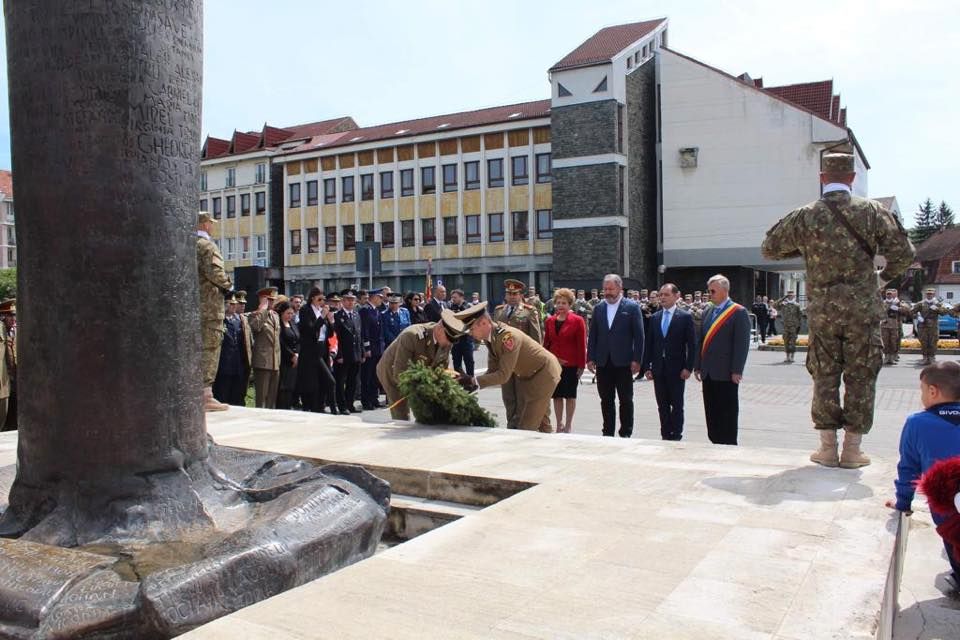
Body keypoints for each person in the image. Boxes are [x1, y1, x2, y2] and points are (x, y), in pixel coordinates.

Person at [762, 152, 915, 467]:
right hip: (862, 311)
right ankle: (853, 450)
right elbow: (904, 253)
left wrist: (805, 247)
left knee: (825, 375)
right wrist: (880, 278)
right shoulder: (873, 212)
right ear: (852, 178)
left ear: (822, 177)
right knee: (861, 375)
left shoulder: (805, 216)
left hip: (823, 312)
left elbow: (770, 248)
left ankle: (827, 448)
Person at [886, 361, 960, 587]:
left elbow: (908, 469)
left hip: (951, 515)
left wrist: (903, 504)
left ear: (932, 391)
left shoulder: (917, 423)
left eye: (921, 391)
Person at [457, 304, 561, 432]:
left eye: (472, 329)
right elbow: (493, 371)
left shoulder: (507, 337)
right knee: (542, 422)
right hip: (529, 375)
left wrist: (473, 381)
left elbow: (503, 375)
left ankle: (525, 451)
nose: (471, 334)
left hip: (543, 373)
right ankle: (549, 448)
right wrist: (472, 384)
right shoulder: (492, 338)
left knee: (527, 426)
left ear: (484, 323)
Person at [693, 274, 751, 445]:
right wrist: (698, 365)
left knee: (727, 411)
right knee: (711, 410)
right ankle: (715, 441)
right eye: (709, 290)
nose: (710, 294)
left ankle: (729, 443)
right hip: (708, 371)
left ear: (725, 291)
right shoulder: (708, 311)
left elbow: (741, 344)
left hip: (726, 372)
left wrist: (737, 370)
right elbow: (701, 340)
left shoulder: (738, 312)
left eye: (713, 291)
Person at [376, 309, 465, 421]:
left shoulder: (446, 341)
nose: (450, 343)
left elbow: (442, 368)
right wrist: (424, 390)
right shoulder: (412, 335)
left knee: (428, 409)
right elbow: (400, 374)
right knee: (402, 413)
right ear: (440, 328)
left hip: (420, 372)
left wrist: (452, 381)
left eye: (453, 340)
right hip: (391, 371)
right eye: (449, 338)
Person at [587, 274, 645, 438]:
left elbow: (639, 336)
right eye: (605, 289)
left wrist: (637, 359)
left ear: (620, 288)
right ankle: (608, 431)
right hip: (603, 361)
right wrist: (590, 358)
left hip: (624, 361)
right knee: (606, 399)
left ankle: (625, 432)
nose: (607, 292)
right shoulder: (599, 308)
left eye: (611, 289)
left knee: (625, 399)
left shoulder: (632, 307)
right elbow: (593, 335)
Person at [644, 284, 697, 441]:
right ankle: (665, 434)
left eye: (666, 295)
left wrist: (689, 367)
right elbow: (650, 344)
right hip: (659, 369)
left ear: (676, 296)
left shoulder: (685, 317)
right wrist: (647, 366)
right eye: (660, 295)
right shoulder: (655, 318)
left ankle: (677, 434)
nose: (662, 298)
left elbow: (692, 345)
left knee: (677, 404)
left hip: (677, 369)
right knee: (662, 405)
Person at [494, 279, 543, 428]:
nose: (512, 297)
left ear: (521, 295)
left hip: (522, 360)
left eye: (515, 294)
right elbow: (494, 336)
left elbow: (536, 338)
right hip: (504, 361)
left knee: (522, 395)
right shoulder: (499, 311)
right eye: (509, 294)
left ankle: (521, 425)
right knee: (508, 395)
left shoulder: (529, 311)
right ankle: (511, 423)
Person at [196, 211, 232, 412]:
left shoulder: (186, 245)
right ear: (205, 224)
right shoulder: (206, 246)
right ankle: (205, 395)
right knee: (210, 347)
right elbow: (216, 273)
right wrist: (229, 286)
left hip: (195, 307)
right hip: (210, 307)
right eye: (210, 223)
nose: (212, 226)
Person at [543, 288, 587, 433]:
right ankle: (559, 424)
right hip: (555, 365)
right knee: (557, 396)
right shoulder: (549, 321)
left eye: (564, 303)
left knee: (569, 396)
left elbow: (582, 345)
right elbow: (546, 344)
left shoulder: (578, 321)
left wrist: (581, 366)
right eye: (558, 303)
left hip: (571, 365)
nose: (561, 306)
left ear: (570, 305)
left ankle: (568, 425)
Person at [297, 287, 337, 413]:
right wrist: (322, 317)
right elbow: (310, 330)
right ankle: (317, 407)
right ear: (312, 298)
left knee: (324, 381)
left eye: (323, 299)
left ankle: (321, 406)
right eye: (319, 299)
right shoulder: (305, 310)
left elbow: (329, 334)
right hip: (311, 351)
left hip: (323, 348)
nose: (321, 302)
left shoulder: (321, 311)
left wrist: (330, 321)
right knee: (318, 382)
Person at [333, 289, 365, 414]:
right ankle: (342, 406)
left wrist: (362, 352)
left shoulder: (356, 315)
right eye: (348, 300)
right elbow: (336, 337)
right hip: (343, 354)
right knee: (341, 382)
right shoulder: (338, 316)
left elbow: (359, 335)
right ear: (343, 301)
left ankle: (350, 403)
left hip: (355, 353)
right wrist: (339, 354)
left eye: (352, 300)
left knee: (352, 381)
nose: (351, 302)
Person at [249, 286, 281, 409]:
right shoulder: (255, 315)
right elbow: (255, 327)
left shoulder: (275, 315)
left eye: (273, 300)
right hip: (262, 361)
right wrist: (262, 310)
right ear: (262, 300)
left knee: (272, 398)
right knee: (261, 397)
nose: (272, 302)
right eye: (269, 300)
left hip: (275, 361)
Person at [213, 295, 248, 406]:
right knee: (223, 394)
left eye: (234, 304)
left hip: (237, 364)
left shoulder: (239, 320)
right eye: (230, 304)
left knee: (236, 396)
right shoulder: (220, 320)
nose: (233, 306)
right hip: (224, 364)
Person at [360, 288, 385, 409]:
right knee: (367, 375)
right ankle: (366, 400)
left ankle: (374, 398)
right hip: (370, 348)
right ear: (374, 297)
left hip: (378, 347)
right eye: (380, 297)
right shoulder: (365, 310)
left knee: (375, 375)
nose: (381, 299)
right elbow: (364, 331)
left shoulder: (376, 310)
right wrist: (367, 347)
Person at [913, 288, 949, 366]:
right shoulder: (921, 303)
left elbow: (944, 312)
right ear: (926, 294)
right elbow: (911, 312)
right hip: (923, 326)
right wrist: (918, 317)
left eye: (931, 294)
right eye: (928, 294)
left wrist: (937, 309)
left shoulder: (937, 303)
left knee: (933, 342)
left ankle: (932, 358)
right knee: (924, 342)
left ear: (934, 295)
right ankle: (925, 357)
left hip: (933, 326)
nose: (929, 295)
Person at [275, 300, 300, 410]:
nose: (290, 316)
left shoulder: (293, 324)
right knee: (283, 386)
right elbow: (281, 343)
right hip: (284, 359)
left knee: (292, 386)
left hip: (295, 359)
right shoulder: (279, 325)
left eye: (291, 313)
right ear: (282, 313)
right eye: (287, 313)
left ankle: (289, 405)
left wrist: (297, 354)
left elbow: (299, 340)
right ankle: (281, 407)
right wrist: (292, 356)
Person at [448, 289, 475, 377]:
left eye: (455, 297)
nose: (453, 299)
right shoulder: (451, 307)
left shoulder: (469, 306)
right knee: (456, 362)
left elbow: (472, 321)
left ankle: (471, 381)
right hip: (455, 339)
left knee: (469, 361)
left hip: (466, 338)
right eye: (452, 297)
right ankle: (459, 382)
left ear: (461, 297)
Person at [774, 291, 804, 363]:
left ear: (794, 296)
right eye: (789, 296)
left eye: (791, 295)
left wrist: (799, 326)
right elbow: (774, 305)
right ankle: (787, 357)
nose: (790, 297)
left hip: (794, 326)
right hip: (786, 326)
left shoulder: (797, 305)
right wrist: (783, 298)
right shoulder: (784, 304)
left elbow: (800, 316)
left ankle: (792, 357)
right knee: (786, 341)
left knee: (793, 342)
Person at [0, 300, 16, 431]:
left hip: (9, 383)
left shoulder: (11, 333)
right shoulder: (2, 331)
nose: (13, 319)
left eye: (13, 316)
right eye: (9, 316)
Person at [881, 288, 907, 365]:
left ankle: (892, 357)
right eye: (887, 294)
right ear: (885, 295)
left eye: (890, 294)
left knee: (893, 342)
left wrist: (898, 309)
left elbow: (906, 311)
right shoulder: (882, 303)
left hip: (894, 325)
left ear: (892, 295)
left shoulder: (897, 303)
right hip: (884, 325)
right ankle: (886, 357)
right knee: (885, 342)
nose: (889, 295)